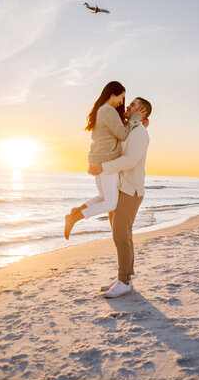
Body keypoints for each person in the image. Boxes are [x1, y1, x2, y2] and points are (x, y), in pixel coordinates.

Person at [64, 81, 147, 240]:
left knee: (104, 197)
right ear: (112, 94)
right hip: (106, 162)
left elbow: (116, 131)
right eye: (121, 98)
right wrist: (135, 119)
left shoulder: (103, 110)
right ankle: (74, 218)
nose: (122, 103)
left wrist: (141, 122)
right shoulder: (108, 111)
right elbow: (122, 134)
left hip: (99, 160)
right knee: (111, 203)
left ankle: (77, 211)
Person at [88, 96, 152, 298]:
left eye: (134, 105)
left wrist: (103, 167)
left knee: (121, 236)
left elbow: (130, 160)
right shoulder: (127, 128)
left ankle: (124, 281)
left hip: (130, 190)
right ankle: (125, 278)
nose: (128, 106)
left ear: (141, 113)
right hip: (117, 188)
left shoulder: (140, 133)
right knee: (122, 236)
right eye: (130, 103)